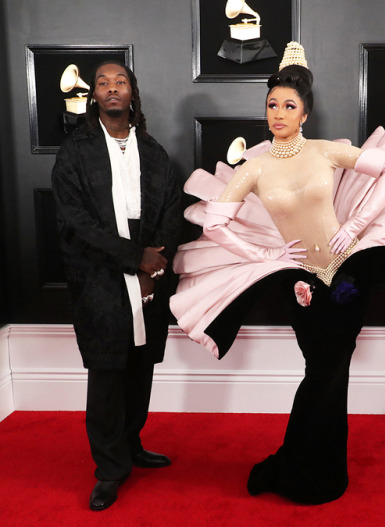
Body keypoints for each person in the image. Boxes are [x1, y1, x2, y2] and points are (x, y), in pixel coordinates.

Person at [170, 42, 385, 504]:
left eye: (288, 106)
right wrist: (264, 258)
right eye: (272, 104)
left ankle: (308, 471)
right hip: (301, 282)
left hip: (348, 273)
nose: (278, 113)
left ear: (304, 115)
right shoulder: (253, 169)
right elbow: (213, 222)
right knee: (324, 371)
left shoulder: (322, 152)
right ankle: (309, 469)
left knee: (330, 370)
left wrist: (356, 223)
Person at [52, 61, 181, 511]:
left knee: (140, 365)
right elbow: (75, 221)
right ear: (94, 96)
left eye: (120, 82)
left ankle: (131, 444)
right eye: (103, 83)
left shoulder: (154, 151)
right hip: (100, 274)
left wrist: (153, 265)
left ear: (133, 94)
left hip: (149, 269)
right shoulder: (76, 151)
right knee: (107, 373)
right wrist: (132, 258)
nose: (112, 88)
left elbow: (170, 209)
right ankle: (109, 470)